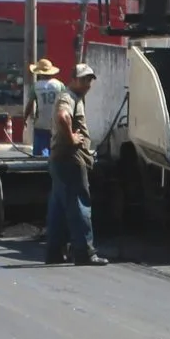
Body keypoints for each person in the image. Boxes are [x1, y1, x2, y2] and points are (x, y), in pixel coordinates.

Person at [45, 61, 104, 266]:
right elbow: (63, 116)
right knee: (80, 205)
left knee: (58, 208)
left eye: (90, 80)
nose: (88, 84)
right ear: (74, 80)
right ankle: (85, 252)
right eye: (84, 80)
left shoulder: (74, 97)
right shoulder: (68, 97)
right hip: (70, 159)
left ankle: (54, 252)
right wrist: (71, 138)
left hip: (59, 160)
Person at [28, 57, 62, 157]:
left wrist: (25, 118)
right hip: (56, 123)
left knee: (40, 151)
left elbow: (30, 104)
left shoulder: (36, 86)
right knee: (55, 149)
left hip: (41, 123)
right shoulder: (59, 85)